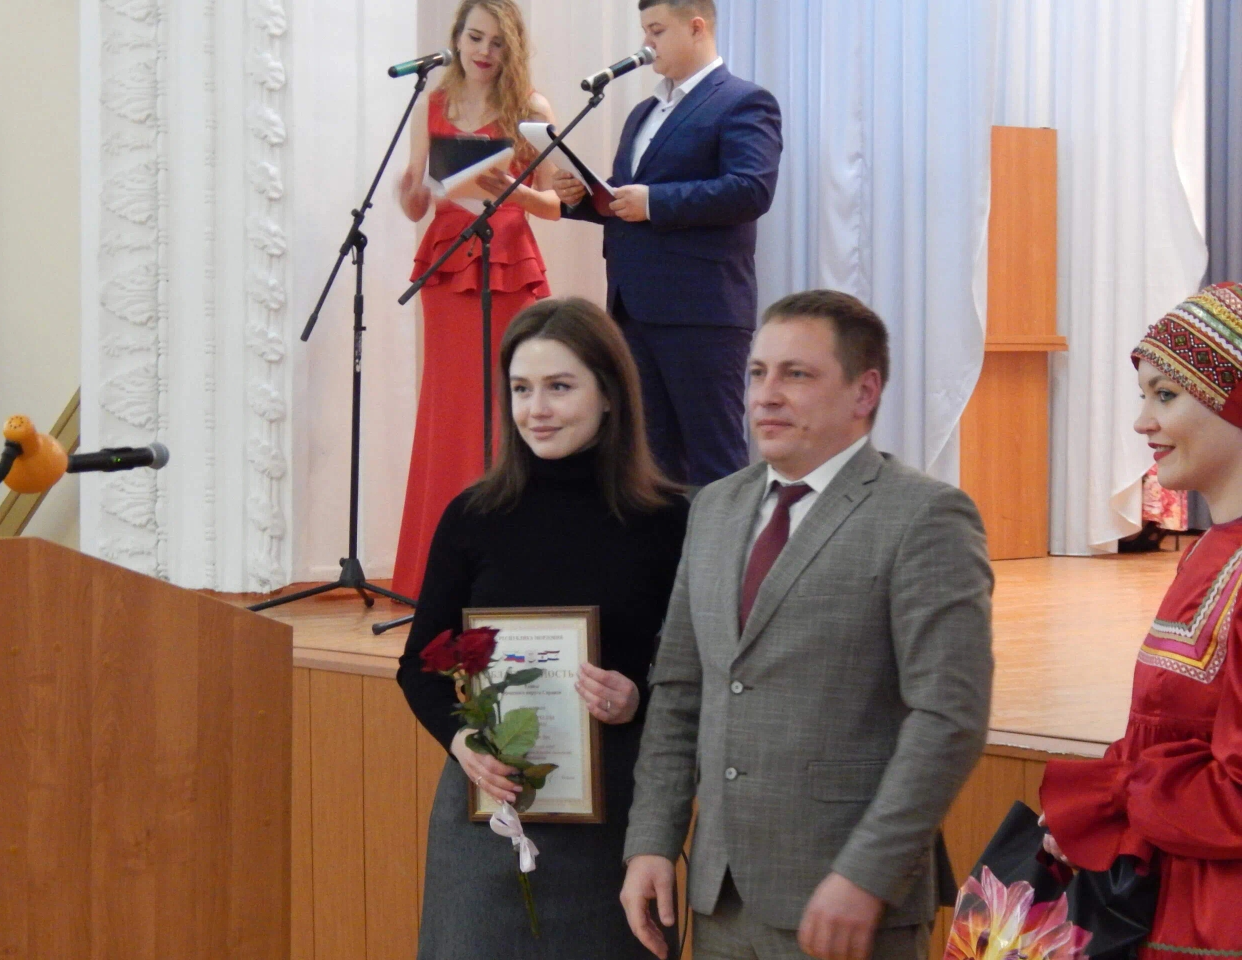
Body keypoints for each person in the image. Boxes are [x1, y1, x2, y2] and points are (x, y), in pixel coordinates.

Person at [620, 290, 994, 960]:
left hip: (848, 904)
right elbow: (679, 690)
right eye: (757, 373)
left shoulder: (925, 516)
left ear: (864, 392)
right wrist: (651, 839)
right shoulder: (713, 508)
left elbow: (949, 716)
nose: (766, 396)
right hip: (720, 898)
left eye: (796, 374)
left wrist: (867, 874)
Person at [396, 297, 689, 958]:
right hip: (487, 815)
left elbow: (694, 678)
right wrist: (463, 741)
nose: (537, 409)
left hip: (615, 820)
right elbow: (419, 667)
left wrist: (636, 699)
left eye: (559, 386)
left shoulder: (668, 522)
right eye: (522, 389)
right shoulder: (473, 515)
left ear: (609, 394)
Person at [1040, 282, 1242, 958]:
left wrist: (1119, 799)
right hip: (1166, 899)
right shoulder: (1210, 551)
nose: (1141, 422)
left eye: (1165, 395)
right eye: (1143, 396)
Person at [552, 0, 782, 488]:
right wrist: (581, 197)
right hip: (632, 309)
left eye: (656, 30)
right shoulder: (643, 113)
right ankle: (664, 544)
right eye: (645, 30)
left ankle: (723, 544)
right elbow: (625, 200)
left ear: (696, 28)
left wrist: (655, 202)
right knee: (648, 463)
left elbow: (751, 190)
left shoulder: (743, 101)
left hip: (701, 311)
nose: (646, 43)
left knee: (714, 461)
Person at [393, 0, 562, 600]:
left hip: (508, 267)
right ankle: (438, 573)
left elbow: (555, 204)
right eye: (475, 38)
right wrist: (410, 191)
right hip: (448, 267)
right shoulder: (433, 104)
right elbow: (418, 202)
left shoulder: (532, 109)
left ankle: (509, 569)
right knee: (449, 410)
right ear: (457, 39)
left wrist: (513, 191)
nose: (484, 52)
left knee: (503, 406)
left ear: (511, 48)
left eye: (496, 42)